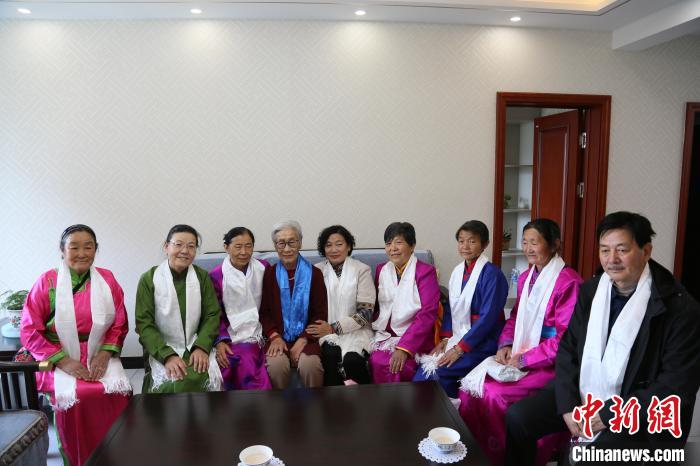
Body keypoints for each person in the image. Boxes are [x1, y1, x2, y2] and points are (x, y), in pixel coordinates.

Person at [504, 212, 700, 466]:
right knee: (518, 418)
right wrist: (568, 405)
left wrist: (608, 414)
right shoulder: (592, 290)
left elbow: (675, 386)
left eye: (622, 250)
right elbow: (568, 349)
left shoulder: (679, 308)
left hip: (639, 412)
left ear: (646, 251)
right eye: (605, 250)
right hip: (586, 392)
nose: (612, 260)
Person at [459, 218, 582, 466]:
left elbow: (566, 340)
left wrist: (526, 359)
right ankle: (477, 455)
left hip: (551, 364)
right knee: (470, 387)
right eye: (525, 242)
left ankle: (501, 457)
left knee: (494, 394)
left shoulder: (569, 282)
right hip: (521, 352)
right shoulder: (526, 276)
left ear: (554, 244)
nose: (528, 249)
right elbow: (515, 317)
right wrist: (505, 345)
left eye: (534, 242)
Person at [21, 224, 131, 466]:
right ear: (62, 250)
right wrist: (63, 361)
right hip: (57, 354)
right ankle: (79, 459)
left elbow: (120, 321)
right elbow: (29, 329)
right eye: (74, 247)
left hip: (99, 350)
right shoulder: (47, 281)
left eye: (88, 247)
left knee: (115, 391)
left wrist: (105, 353)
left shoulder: (107, 279)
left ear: (95, 250)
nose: (82, 253)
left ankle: (117, 455)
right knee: (79, 395)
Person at [414, 220, 508, 400]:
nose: (465, 246)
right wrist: (445, 339)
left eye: (472, 241)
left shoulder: (493, 275)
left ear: (485, 244)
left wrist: (459, 349)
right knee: (426, 369)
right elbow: (451, 308)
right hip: (459, 336)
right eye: (461, 241)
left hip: (483, 341)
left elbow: (488, 318)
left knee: (436, 372)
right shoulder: (458, 272)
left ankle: (447, 412)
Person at [135, 224, 222, 393]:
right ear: (166, 246)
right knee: (170, 382)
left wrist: (202, 347)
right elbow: (144, 323)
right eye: (178, 244)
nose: (185, 251)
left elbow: (212, 315)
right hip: (161, 347)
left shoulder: (202, 277)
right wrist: (167, 356)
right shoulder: (149, 279)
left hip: (195, 344)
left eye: (191, 246)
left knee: (201, 376)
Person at [259, 220, 328, 389]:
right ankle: (281, 406)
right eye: (281, 243)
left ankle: (314, 405)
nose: (287, 248)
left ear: (300, 243)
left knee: (310, 365)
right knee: (276, 366)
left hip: (308, 338)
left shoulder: (315, 274)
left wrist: (304, 339)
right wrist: (274, 336)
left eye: (292, 242)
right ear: (275, 246)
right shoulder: (269, 274)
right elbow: (264, 312)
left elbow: (319, 314)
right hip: (277, 337)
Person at [369, 222, 440, 383]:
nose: (392, 248)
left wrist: (404, 348)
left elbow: (428, 312)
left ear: (412, 245)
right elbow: (378, 306)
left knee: (400, 365)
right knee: (377, 360)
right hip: (387, 334)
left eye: (398, 242)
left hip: (416, 336)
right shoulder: (381, 269)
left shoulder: (425, 271)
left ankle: (402, 399)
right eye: (388, 243)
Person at [306, 225, 375, 385]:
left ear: (348, 246)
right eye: (328, 245)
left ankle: (364, 399)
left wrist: (334, 327)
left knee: (352, 360)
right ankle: (333, 400)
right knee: (331, 355)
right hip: (326, 334)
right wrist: (324, 329)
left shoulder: (362, 270)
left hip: (357, 331)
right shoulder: (316, 271)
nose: (334, 249)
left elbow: (366, 313)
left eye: (339, 244)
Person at [209, 227, 272, 390]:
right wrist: (220, 341)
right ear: (226, 247)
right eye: (238, 247)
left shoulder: (264, 268)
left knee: (247, 358)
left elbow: (271, 305)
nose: (244, 252)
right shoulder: (216, 276)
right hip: (229, 334)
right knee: (228, 359)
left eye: (248, 246)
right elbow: (214, 314)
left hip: (260, 331)